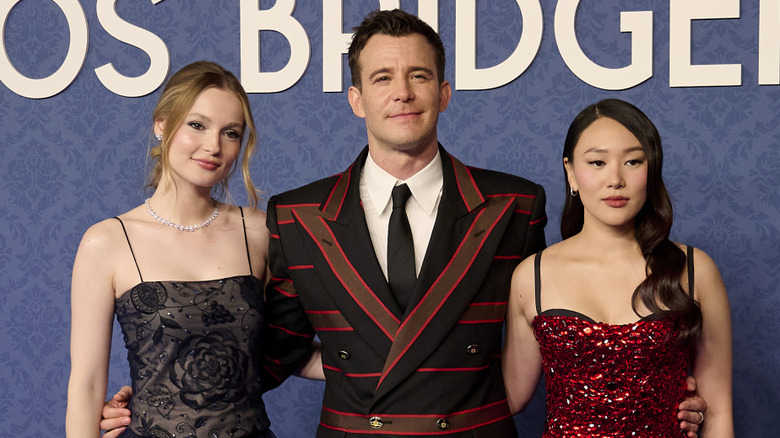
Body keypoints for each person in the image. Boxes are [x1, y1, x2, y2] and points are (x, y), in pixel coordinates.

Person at [101, 10, 707, 438]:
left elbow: (561, 330)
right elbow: (275, 350)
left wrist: (656, 397)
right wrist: (164, 398)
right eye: (382, 78)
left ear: (444, 92)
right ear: (355, 99)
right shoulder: (299, 215)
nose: (403, 93)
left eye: (419, 76)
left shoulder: (514, 205)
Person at [66, 61, 277, 437]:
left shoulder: (259, 231)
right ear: (161, 124)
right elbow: (86, 385)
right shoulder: (108, 241)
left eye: (230, 133)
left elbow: (292, 351)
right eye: (197, 125)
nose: (213, 146)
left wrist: (390, 364)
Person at [502, 99, 733, 437]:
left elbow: (718, 411)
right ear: (571, 173)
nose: (615, 179)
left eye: (633, 161)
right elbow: (510, 396)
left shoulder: (695, 269)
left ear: (651, 170)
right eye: (597, 162)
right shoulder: (531, 276)